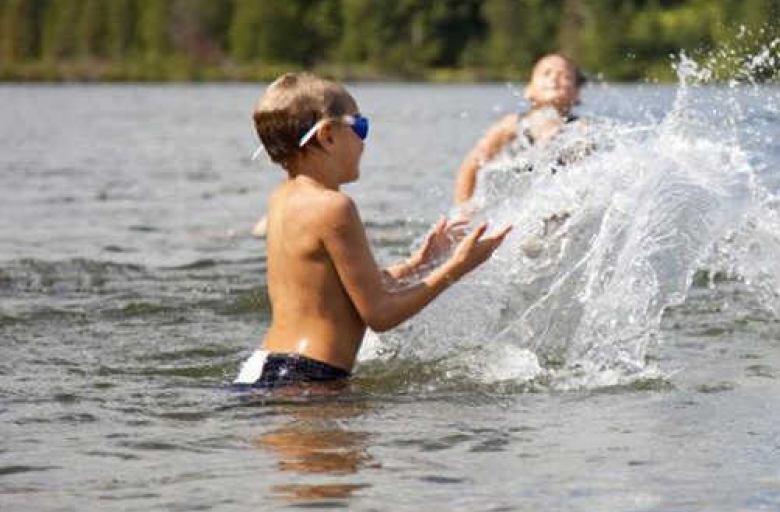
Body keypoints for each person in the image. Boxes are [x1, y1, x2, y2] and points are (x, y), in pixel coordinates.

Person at [238, 72, 510, 388]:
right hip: (307, 380)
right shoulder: (334, 207)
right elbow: (380, 315)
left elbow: (338, 294)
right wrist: (458, 267)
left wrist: (418, 264)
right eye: (360, 127)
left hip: (265, 366)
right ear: (327, 136)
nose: (364, 141)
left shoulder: (282, 198)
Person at [454, 53, 588, 208]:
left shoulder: (579, 129)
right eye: (546, 73)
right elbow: (471, 165)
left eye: (565, 76)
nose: (554, 78)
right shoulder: (512, 125)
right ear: (528, 90)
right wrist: (464, 210)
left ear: (577, 93)